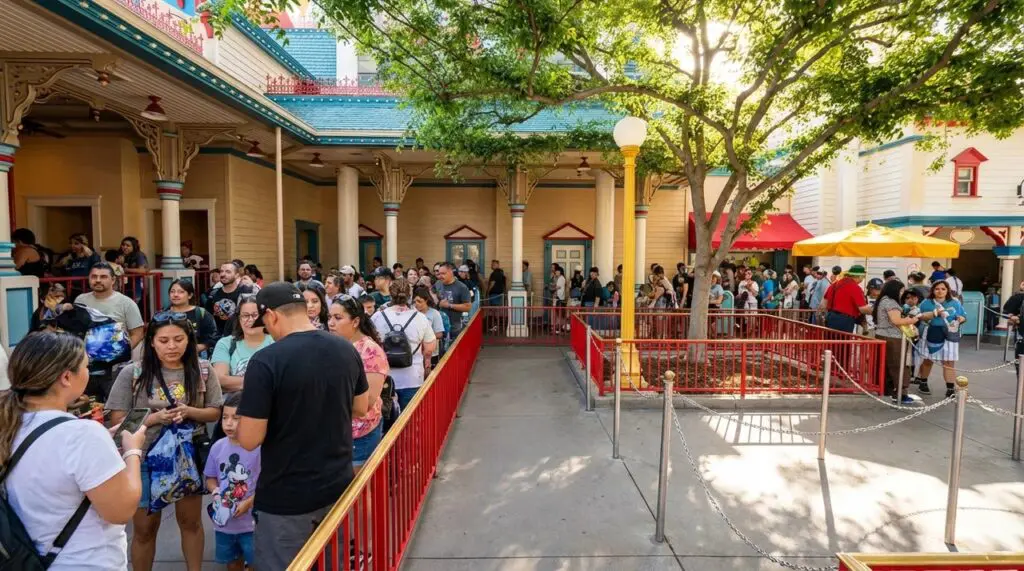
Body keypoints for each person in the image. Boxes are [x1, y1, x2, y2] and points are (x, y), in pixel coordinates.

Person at [234, 282, 368, 569]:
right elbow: (360, 407)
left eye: (265, 324)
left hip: (286, 498)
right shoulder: (345, 348)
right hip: (337, 485)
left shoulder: (265, 361)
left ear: (270, 316)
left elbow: (249, 438)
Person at [1, 332, 146, 570]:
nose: (88, 373)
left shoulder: (9, 424)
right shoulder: (82, 435)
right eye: (86, 366)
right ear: (67, 377)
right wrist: (133, 452)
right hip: (84, 562)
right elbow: (121, 510)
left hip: (28, 559)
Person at [105, 313, 223, 571]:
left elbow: (215, 411)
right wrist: (153, 418)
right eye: (164, 340)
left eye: (179, 339)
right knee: (145, 529)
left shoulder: (203, 370)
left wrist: (189, 411)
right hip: (144, 458)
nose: (172, 346)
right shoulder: (132, 373)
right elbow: (118, 422)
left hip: (187, 456)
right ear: (151, 342)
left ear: (189, 340)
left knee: (190, 522)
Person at [328, 295, 389, 471]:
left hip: (360, 434)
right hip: (335, 431)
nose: (331, 323)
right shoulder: (333, 345)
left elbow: (368, 402)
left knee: (357, 491)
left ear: (355, 321)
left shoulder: (371, 352)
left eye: (338, 318)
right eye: (330, 317)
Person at [204, 392, 259, 571]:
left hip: (252, 524)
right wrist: (215, 491)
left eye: (236, 418)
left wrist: (249, 502)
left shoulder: (259, 448)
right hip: (225, 524)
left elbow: (269, 485)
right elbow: (210, 478)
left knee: (255, 562)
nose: (228, 423)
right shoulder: (218, 447)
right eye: (225, 417)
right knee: (232, 562)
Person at [372, 279, 437, 411]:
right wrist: (427, 363)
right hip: (412, 377)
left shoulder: (377, 317)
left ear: (390, 294)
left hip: (384, 378)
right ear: (410, 296)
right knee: (411, 419)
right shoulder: (420, 318)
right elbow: (430, 348)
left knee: (386, 419)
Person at [211, 295, 273, 397]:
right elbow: (220, 379)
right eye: (245, 315)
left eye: (255, 315)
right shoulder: (226, 343)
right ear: (239, 319)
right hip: (233, 408)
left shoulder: (276, 342)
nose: (250, 320)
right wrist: (265, 383)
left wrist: (235, 383)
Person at [914, 281, 967, 398]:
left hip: (949, 334)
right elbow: (918, 317)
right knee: (928, 360)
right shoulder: (926, 303)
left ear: (947, 290)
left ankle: (950, 388)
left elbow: (964, 316)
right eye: (937, 289)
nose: (940, 291)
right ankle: (923, 382)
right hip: (931, 332)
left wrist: (961, 318)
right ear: (933, 290)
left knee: (948, 362)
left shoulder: (955, 303)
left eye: (943, 289)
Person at [75, 263, 145, 349]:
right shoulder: (80, 300)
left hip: (117, 359)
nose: (98, 280)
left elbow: (138, 334)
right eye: (94, 276)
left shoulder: (127, 303)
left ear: (113, 280)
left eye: (103, 277)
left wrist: (121, 352)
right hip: (85, 358)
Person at [873, 280, 921, 404]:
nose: (902, 293)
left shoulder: (882, 300)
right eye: (901, 291)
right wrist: (912, 320)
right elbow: (896, 320)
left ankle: (887, 389)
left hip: (881, 335)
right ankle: (901, 393)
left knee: (886, 365)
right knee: (899, 365)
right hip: (893, 337)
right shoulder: (890, 302)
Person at [167, 279, 218, 355]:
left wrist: (197, 348)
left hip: (196, 357)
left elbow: (213, 337)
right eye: (172, 291)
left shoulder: (201, 313)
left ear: (190, 295)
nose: (175, 295)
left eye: (181, 292)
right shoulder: (163, 315)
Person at [820, 265, 872, 333]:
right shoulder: (855, 288)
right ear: (859, 276)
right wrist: (875, 310)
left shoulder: (834, 284)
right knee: (843, 343)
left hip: (830, 318)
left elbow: (823, 305)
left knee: (831, 342)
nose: (862, 280)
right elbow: (863, 309)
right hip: (845, 321)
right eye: (863, 277)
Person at [206, 262, 254, 336]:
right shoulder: (213, 294)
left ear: (237, 275)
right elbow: (208, 318)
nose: (223, 274)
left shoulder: (245, 292)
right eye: (221, 271)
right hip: (220, 337)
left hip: (241, 336)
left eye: (228, 272)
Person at [434, 262, 472, 339]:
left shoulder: (462, 287)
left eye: (443, 273)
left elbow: (468, 307)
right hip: (439, 325)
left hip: (455, 326)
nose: (440, 276)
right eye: (439, 273)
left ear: (451, 272)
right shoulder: (438, 283)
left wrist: (449, 305)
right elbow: (434, 296)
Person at [413, 287, 447, 365]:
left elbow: (439, 334)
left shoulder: (434, 313)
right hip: (416, 352)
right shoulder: (412, 313)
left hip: (431, 352)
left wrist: (424, 338)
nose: (416, 304)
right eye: (415, 302)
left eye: (419, 301)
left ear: (426, 300)